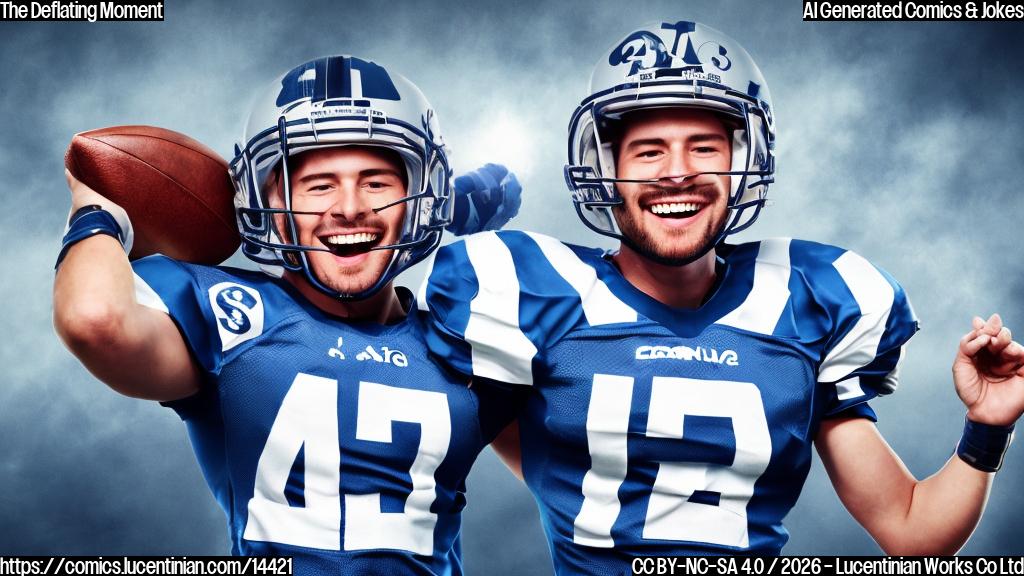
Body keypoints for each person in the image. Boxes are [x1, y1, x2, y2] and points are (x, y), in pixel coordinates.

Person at [417, 21, 1024, 571]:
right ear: (605, 169)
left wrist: (986, 425)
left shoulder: (807, 299)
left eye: (704, 147)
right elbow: (393, 475)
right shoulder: (536, 299)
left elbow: (912, 532)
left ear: (744, 162)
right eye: (648, 150)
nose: (677, 170)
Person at [53, 55, 522, 575]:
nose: (348, 207)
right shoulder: (236, 317)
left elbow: (584, 477)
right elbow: (94, 319)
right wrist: (98, 213)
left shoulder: (463, 342)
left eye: (377, 182)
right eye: (318, 185)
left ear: (419, 196)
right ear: (268, 200)